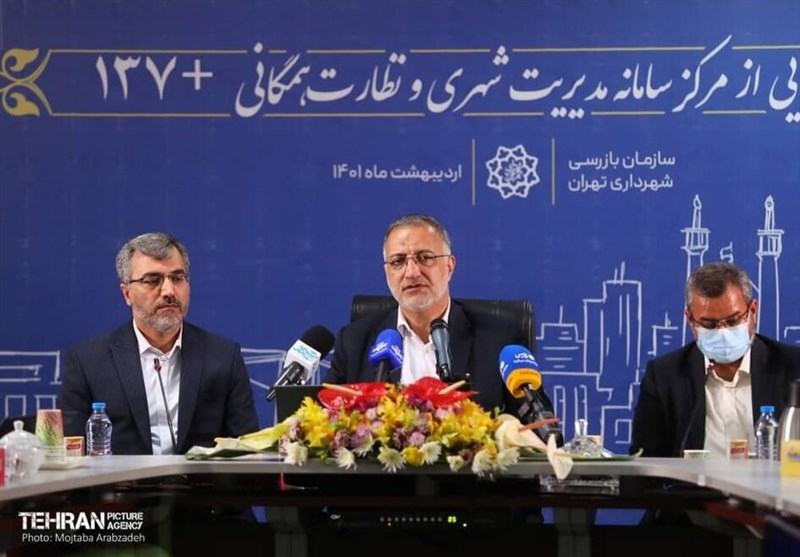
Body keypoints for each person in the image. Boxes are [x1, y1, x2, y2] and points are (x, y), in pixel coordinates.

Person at [323, 213, 552, 421]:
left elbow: (538, 427)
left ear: (449, 266)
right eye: (398, 261)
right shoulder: (354, 341)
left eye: (424, 257)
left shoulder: (499, 339)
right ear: (387, 272)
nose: (411, 272)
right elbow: (326, 425)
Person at [57, 232, 259, 455]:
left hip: (199, 478)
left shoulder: (223, 356)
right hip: (121, 478)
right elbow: (71, 453)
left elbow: (246, 448)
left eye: (177, 278)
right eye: (152, 280)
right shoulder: (89, 361)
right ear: (127, 293)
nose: (169, 291)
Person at [632, 261, 800, 458]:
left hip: (775, 479)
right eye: (709, 324)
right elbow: (646, 461)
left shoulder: (794, 368)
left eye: (733, 320)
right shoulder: (663, 377)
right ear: (690, 320)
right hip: (693, 479)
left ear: (753, 311)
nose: (723, 332)